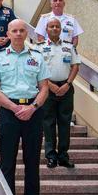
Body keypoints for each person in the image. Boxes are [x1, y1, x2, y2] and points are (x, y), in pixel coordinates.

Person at [0, 19, 50, 195]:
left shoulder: (37, 57)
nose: (19, 33)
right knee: (7, 165)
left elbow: (44, 87)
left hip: (33, 113)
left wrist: (32, 107)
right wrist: (15, 108)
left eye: (22, 30)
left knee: (32, 165)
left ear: (26, 33)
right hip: (9, 114)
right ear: (8, 32)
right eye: (15, 30)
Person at [37, 18, 80, 169]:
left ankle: (63, 156)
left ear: (61, 29)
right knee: (48, 123)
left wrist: (68, 84)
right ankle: (50, 156)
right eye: (51, 26)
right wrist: (50, 86)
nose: (55, 28)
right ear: (46, 30)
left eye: (57, 26)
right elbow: (37, 70)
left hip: (66, 88)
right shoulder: (40, 47)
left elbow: (75, 66)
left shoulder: (69, 46)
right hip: (47, 88)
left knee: (64, 124)